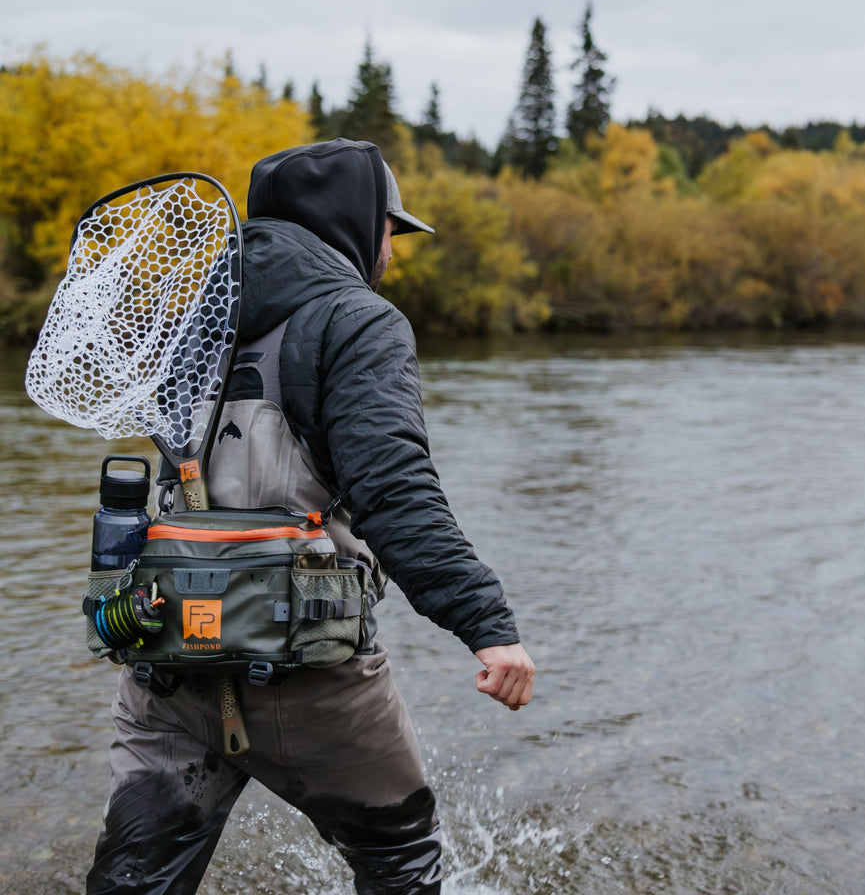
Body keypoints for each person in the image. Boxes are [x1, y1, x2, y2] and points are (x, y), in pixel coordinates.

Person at [86, 139, 535, 895]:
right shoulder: (359, 322)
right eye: (389, 228)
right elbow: (396, 491)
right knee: (400, 865)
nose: (391, 247)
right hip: (308, 677)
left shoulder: (190, 323)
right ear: (354, 222)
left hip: (166, 659)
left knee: (135, 882)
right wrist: (488, 626)